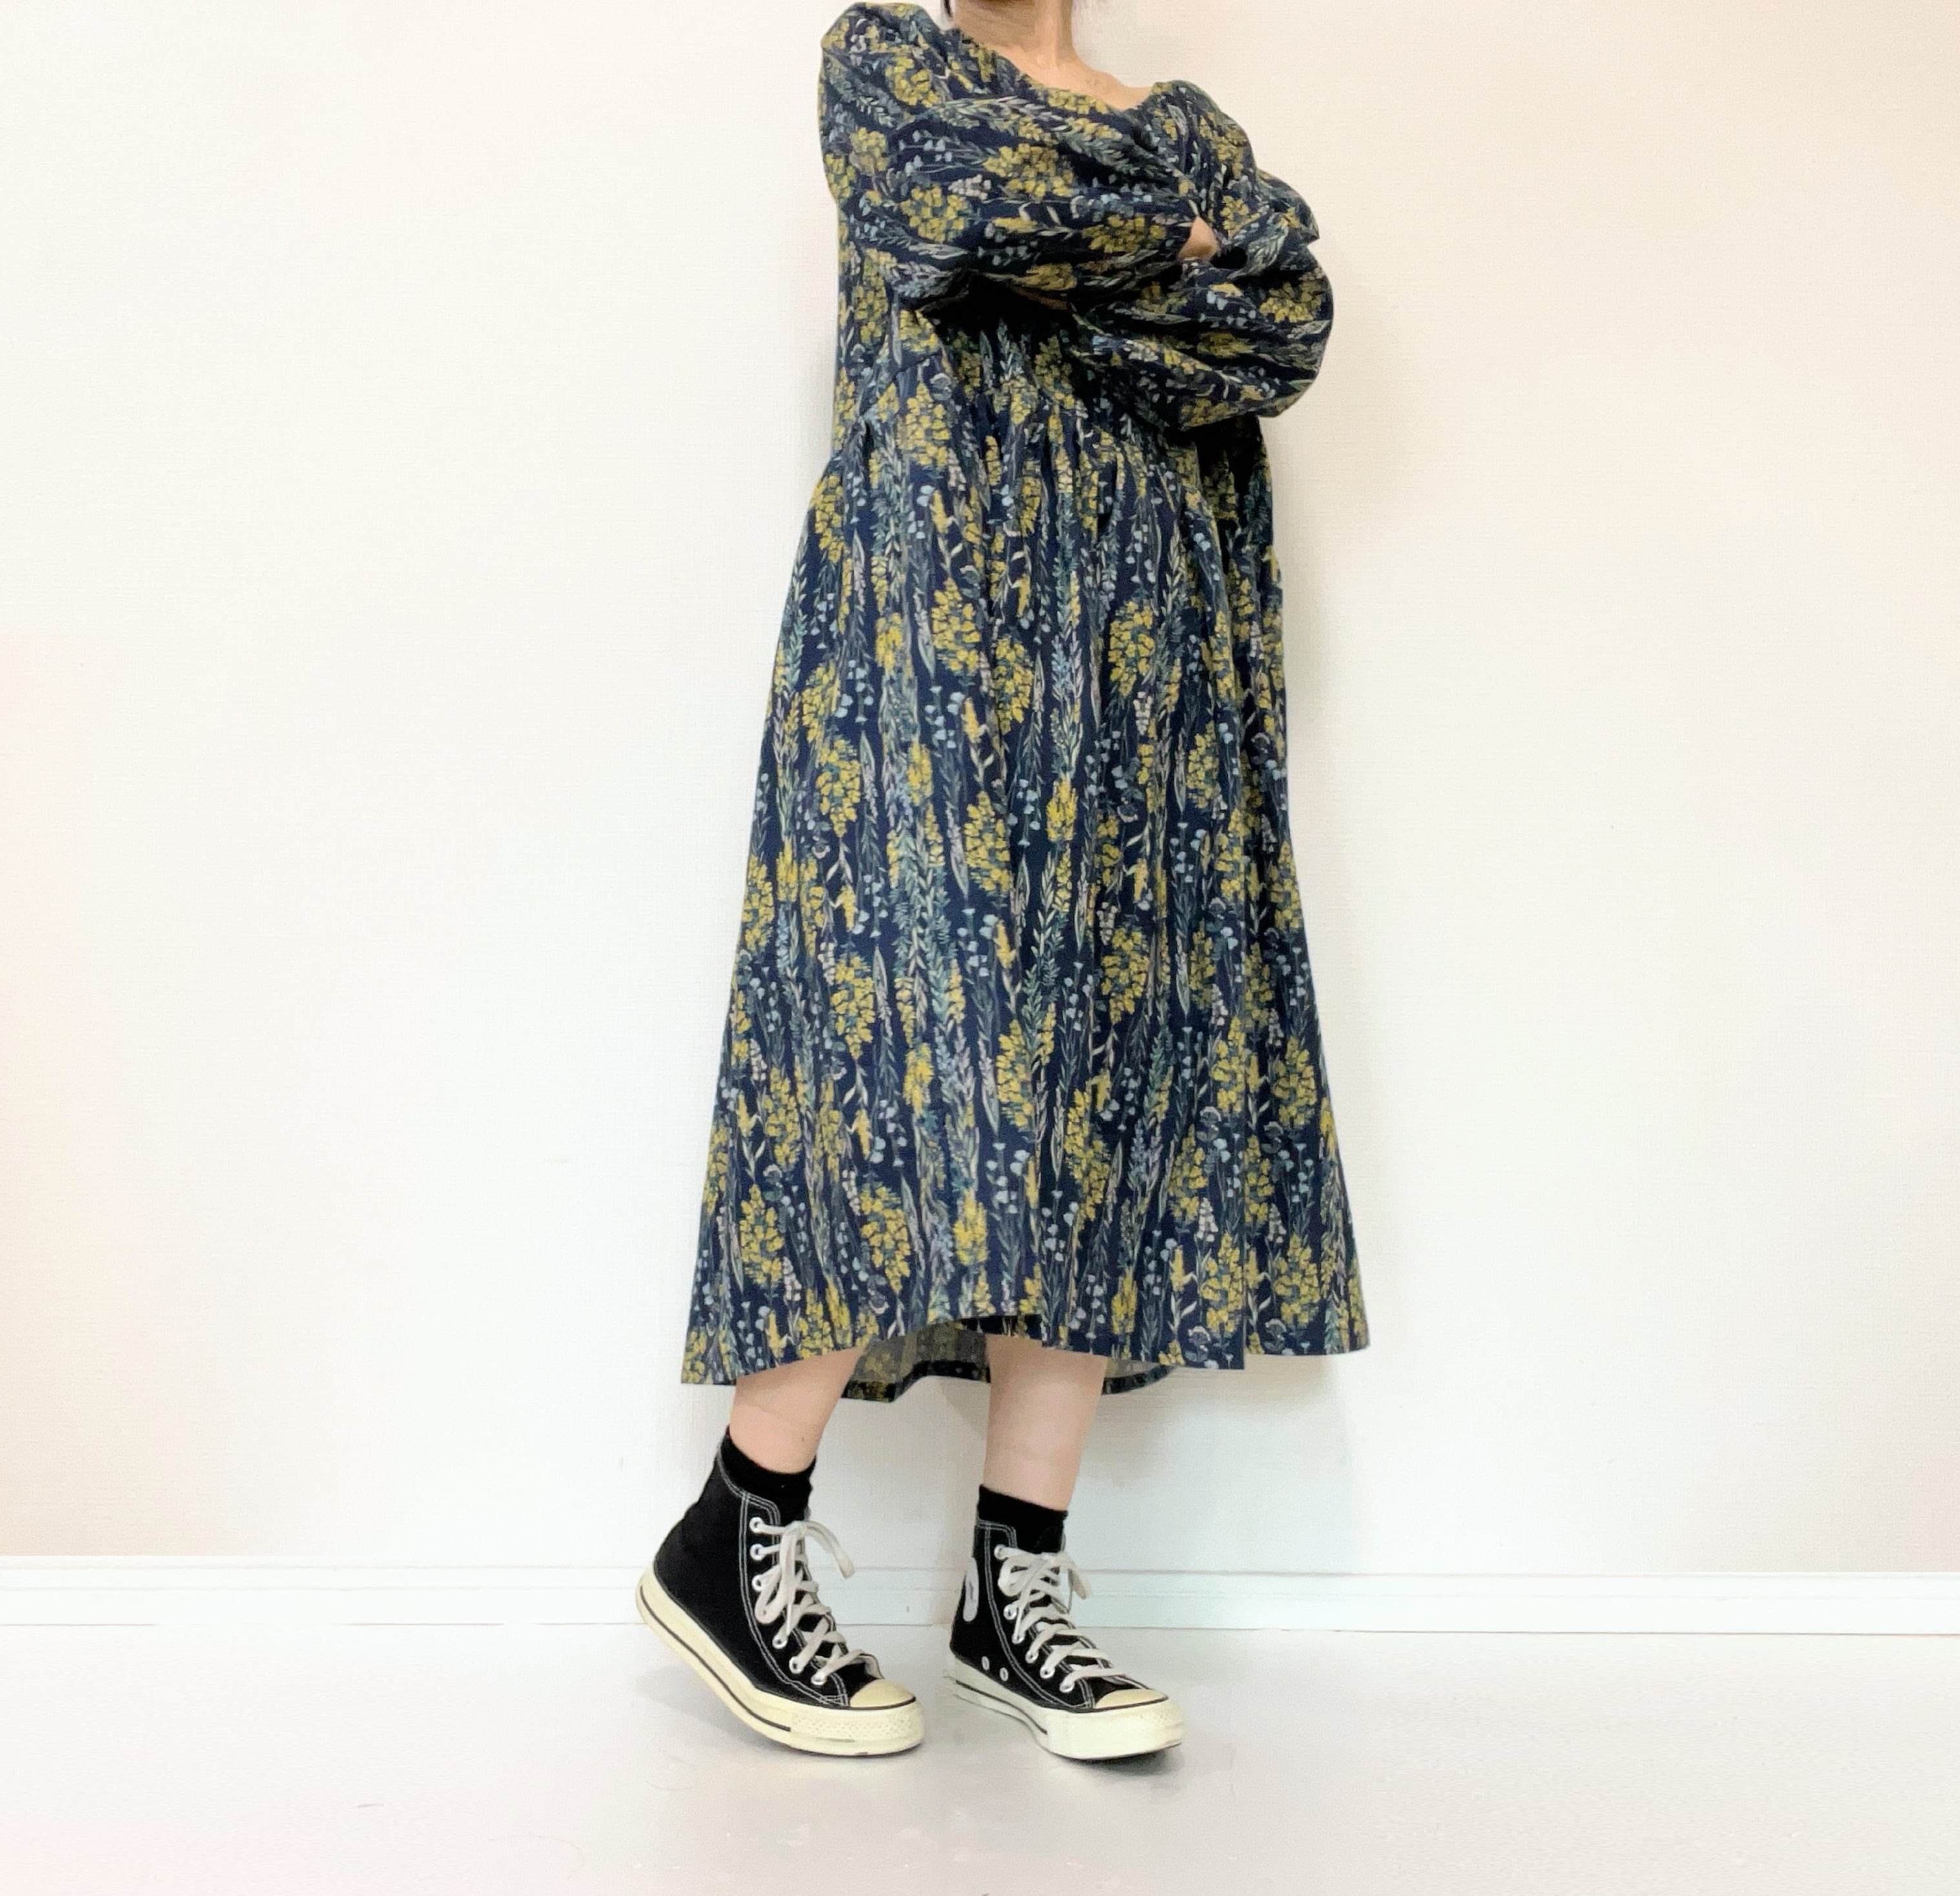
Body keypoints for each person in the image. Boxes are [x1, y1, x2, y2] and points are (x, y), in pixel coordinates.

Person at [637, 0, 1366, 1763]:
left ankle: (1010, 1588)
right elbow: (958, 206)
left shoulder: (1178, 119)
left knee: (1094, 1091)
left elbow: (1277, 328)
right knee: (881, 1056)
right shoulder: (887, 62)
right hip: (924, 640)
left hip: (1145, 661)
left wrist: (1155, 252)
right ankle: (735, 1533)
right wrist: (1182, 247)